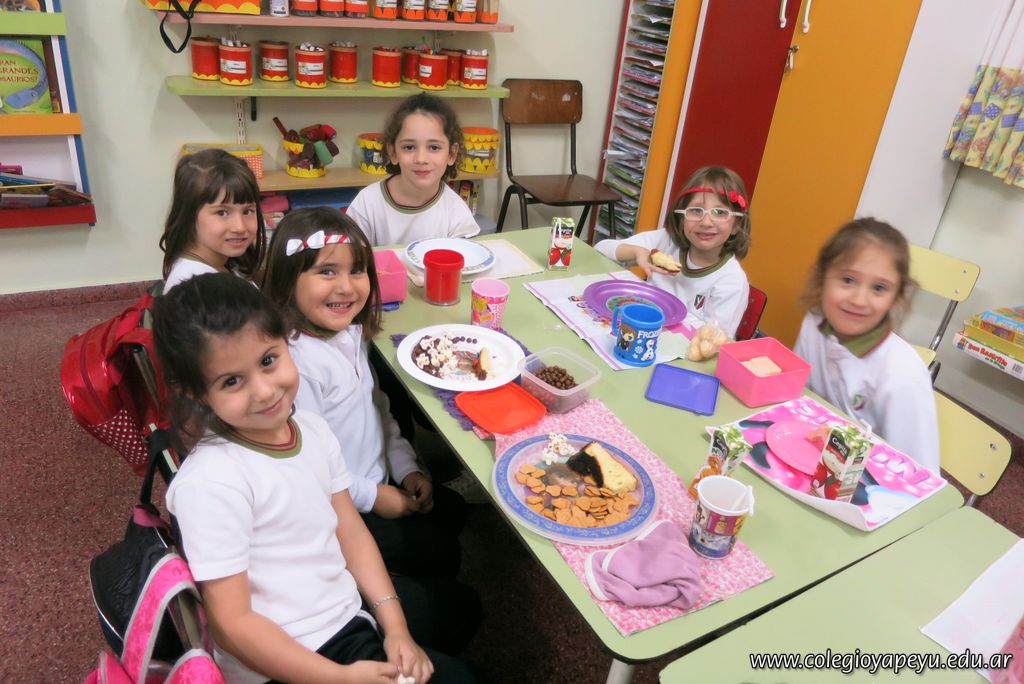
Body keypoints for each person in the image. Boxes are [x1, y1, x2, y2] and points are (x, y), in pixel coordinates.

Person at [153, 273, 475, 684]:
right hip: (287, 658)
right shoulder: (210, 483)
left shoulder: (310, 428)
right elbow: (233, 626)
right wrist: (340, 678)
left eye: (268, 360)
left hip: (343, 614)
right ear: (196, 393)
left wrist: (395, 626)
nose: (265, 391)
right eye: (231, 381)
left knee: (464, 607)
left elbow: (350, 530)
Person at [794, 218, 940, 473]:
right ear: (822, 277)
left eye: (879, 288)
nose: (859, 300)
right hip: (810, 461)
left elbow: (919, 473)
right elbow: (798, 401)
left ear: (896, 297)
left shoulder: (903, 374)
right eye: (848, 280)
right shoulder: (813, 323)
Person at [595, 166, 751, 338]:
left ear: (737, 224)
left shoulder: (731, 282)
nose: (706, 222)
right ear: (682, 217)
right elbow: (600, 250)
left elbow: (712, 343)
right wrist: (637, 253)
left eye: (720, 212)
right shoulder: (667, 242)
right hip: (637, 330)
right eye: (696, 210)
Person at [347, 93, 480, 245]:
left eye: (434, 147)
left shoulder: (457, 212)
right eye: (409, 147)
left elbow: (465, 256)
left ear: (451, 153)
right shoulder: (367, 203)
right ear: (393, 152)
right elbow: (348, 255)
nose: (421, 159)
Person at [158, 148, 266, 292]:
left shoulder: (222, 261)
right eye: (222, 213)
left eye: (247, 211)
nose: (240, 227)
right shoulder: (198, 289)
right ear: (189, 215)